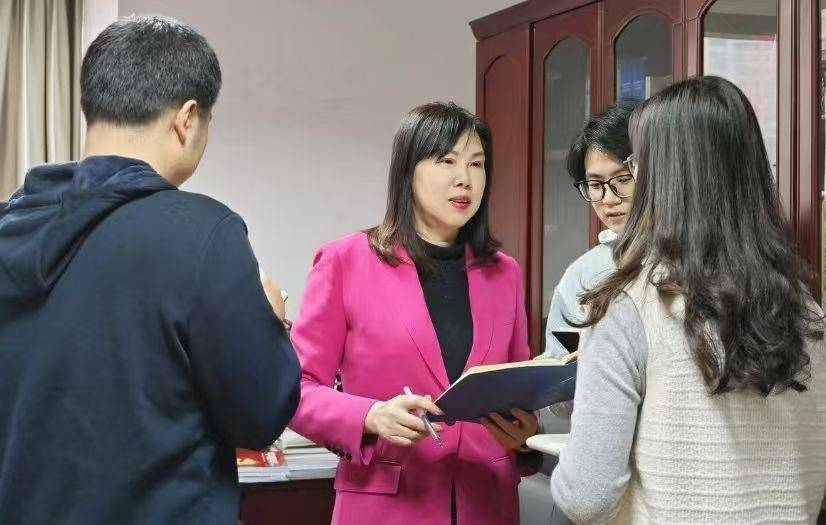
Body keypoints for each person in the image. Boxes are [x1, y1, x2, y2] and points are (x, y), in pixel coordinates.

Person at [0, 15, 300, 524]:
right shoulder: (202, 233)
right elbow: (259, 416)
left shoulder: (12, 224)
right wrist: (271, 324)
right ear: (187, 119)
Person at [551, 76, 826, 523]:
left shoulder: (629, 306)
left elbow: (587, 497)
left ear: (665, 176)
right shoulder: (806, 309)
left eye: (635, 165)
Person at [288, 102, 540, 525]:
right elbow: (295, 390)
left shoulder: (505, 273)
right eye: (447, 161)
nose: (465, 178)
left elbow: (519, 391)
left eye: (477, 164)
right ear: (408, 171)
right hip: (388, 506)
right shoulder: (345, 262)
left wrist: (525, 435)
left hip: (488, 505)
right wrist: (370, 416)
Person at [541, 102, 638, 360]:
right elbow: (556, 364)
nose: (608, 199)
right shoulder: (581, 276)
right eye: (595, 185)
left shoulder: (687, 257)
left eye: (622, 180)